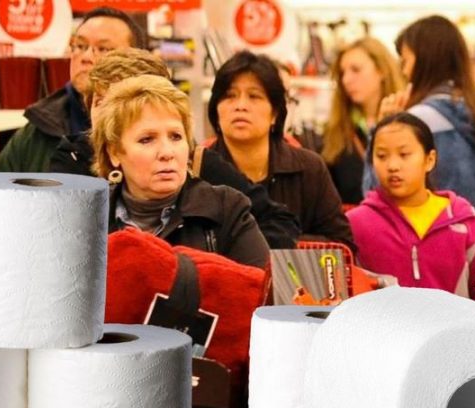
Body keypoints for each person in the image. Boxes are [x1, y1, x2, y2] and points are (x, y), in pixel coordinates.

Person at [47, 48, 300, 249]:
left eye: (175, 137)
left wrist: (225, 252)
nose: (106, 113)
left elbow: (275, 225)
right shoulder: (73, 159)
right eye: (99, 101)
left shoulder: (215, 188)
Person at [92, 75, 270, 268]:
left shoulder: (227, 210)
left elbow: (260, 284)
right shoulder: (84, 220)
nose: (167, 153)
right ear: (114, 152)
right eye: (147, 139)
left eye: (176, 137)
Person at [378, 15, 475, 234]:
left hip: (423, 249)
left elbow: (378, 197)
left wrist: (384, 131)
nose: (404, 71)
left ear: (425, 61)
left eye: (406, 61)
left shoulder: (413, 124)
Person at [347, 113, 475, 304]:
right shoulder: (354, 225)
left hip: (454, 324)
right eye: (382, 156)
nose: (392, 166)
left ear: (430, 159)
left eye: (404, 154)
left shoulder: (470, 228)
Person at [207, 51, 354, 249]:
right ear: (216, 110)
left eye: (254, 96)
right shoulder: (199, 171)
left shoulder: (309, 169)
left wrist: (282, 248)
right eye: (229, 96)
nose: (241, 105)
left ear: (275, 113)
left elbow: (342, 245)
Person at [0, 7, 146, 172]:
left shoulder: (155, 127)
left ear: (136, 60)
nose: (86, 57)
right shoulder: (38, 130)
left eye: (103, 49)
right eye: (80, 45)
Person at [321, 37, 406, 206]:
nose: (346, 80)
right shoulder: (335, 131)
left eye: (356, 70)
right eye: (343, 73)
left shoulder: (408, 122)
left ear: (381, 70)